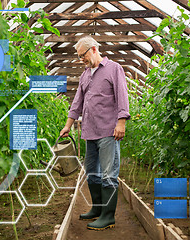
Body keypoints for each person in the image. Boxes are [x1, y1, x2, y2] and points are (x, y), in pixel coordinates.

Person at [60, 36, 130, 230]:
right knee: (92, 174)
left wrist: (121, 122)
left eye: (82, 55)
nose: (81, 59)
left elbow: (122, 96)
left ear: (93, 49)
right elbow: (77, 103)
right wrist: (68, 125)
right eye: (79, 56)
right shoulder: (85, 75)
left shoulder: (114, 68)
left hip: (109, 131)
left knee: (109, 175)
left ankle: (108, 217)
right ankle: (98, 209)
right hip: (89, 132)